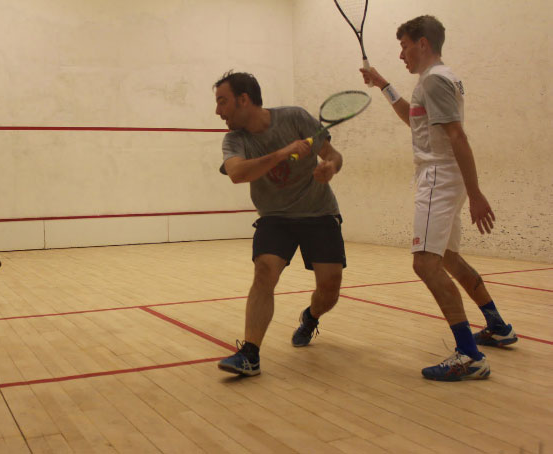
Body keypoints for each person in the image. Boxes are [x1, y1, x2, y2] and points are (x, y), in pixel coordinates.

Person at [360, 15, 517, 381]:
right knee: (448, 257)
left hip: (438, 179)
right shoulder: (437, 80)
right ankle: (498, 326)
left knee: (425, 264)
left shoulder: (434, 81)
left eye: (404, 46)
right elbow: (414, 120)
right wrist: (383, 84)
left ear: (423, 43)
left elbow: (458, 136)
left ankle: (469, 355)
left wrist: (476, 194)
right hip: (445, 178)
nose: (401, 54)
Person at [213, 70, 347, 376]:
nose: (218, 111)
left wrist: (330, 167)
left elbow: (333, 154)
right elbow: (237, 173)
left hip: (319, 213)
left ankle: (311, 317)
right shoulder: (234, 139)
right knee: (264, 272)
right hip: (275, 218)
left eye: (222, 101)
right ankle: (250, 354)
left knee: (329, 290)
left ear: (243, 100)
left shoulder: (295, 118)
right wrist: (282, 152)